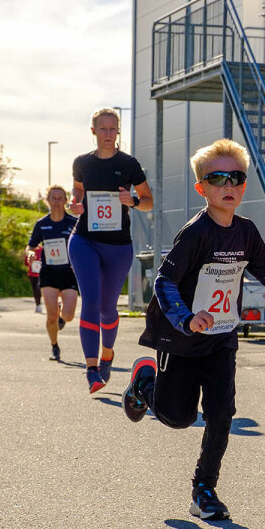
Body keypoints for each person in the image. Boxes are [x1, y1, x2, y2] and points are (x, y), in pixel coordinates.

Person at [121, 139, 265, 521]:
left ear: (244, 185)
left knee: (221, 414)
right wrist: (187, 318)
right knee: (178, 418)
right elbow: (164, 281)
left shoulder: (246, 232)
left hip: (221, 338)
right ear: (201, 188)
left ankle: (204, 489)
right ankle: (143, 384)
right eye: (218, 178)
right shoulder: (196, 233)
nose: (228, 185)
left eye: (236, 178)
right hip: (182, 339)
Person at [67, 107, 154, 393]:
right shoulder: (82, 163)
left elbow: (148, 201)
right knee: (91, 303)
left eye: (113, 128)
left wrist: (132, 201)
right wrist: (75, 203)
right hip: (85, 240)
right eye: (103, 128)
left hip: (118, 246)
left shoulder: (129, 164)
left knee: (107, 308)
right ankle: (92, 370)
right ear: (93, 131)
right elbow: (78, 190)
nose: (108, 133)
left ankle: (107, 354)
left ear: (118, 131)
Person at [26, 185, 79, 361]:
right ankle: (54, 347)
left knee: (68, 316)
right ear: (47, 201)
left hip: (68, 272)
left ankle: (62, 316)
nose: (56, 202)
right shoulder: (42, 224)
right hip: (48, 272)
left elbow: (85, 243)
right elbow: (31, 246)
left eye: (60, 198)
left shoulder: (73, 223)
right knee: (51, 316)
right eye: (53, 198)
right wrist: (30, 253)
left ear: (65, 201)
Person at [25, 246, 43, 313]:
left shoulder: (42, 249)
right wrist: (30, 261)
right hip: (32, 273)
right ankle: (37, 304)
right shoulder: (30, 251)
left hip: (40, 273)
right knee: (34, 289)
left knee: (38, 287)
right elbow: (26, 263)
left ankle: (39, 304)